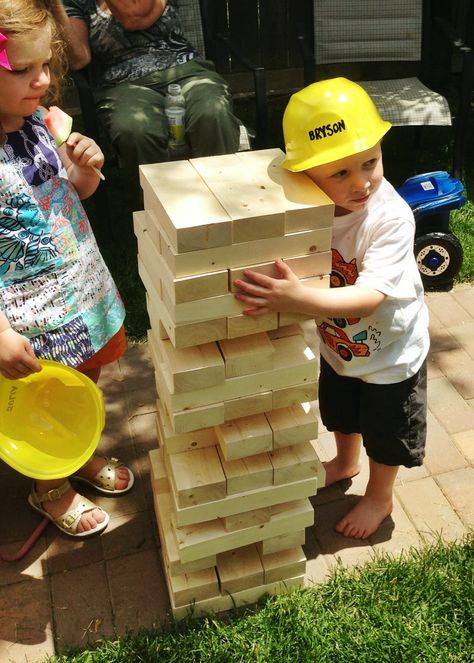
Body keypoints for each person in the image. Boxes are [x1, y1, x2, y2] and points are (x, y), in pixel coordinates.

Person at [234, 78, 430, 540]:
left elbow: (370, 297)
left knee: (386, 429)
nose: (361, 182)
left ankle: (380, 495)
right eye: (340, 173)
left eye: (370, 163)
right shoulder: (309, 209)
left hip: (391, 354)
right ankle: (345, 462)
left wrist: (299, 300)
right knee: (341, 410)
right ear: (305, 174)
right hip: (339, 345)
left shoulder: (390, 218)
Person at [0, 0, 134, 538]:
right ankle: (49, 486)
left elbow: (70, 195)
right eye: (25, 69)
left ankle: (77, 451)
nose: (44, 80)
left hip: (82, 294)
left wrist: (85, 169)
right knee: (45, 397)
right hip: (30, 319)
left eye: (46, 65)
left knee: (86, 381)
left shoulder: (37, 124)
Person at [57, 0, 241, 174]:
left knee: (211, 112)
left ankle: (223, 191)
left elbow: (133, 17)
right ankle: (161, 200)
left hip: (184, 67)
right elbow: (79, 59)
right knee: (134, 130)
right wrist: (57, 5)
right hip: (122, 83)